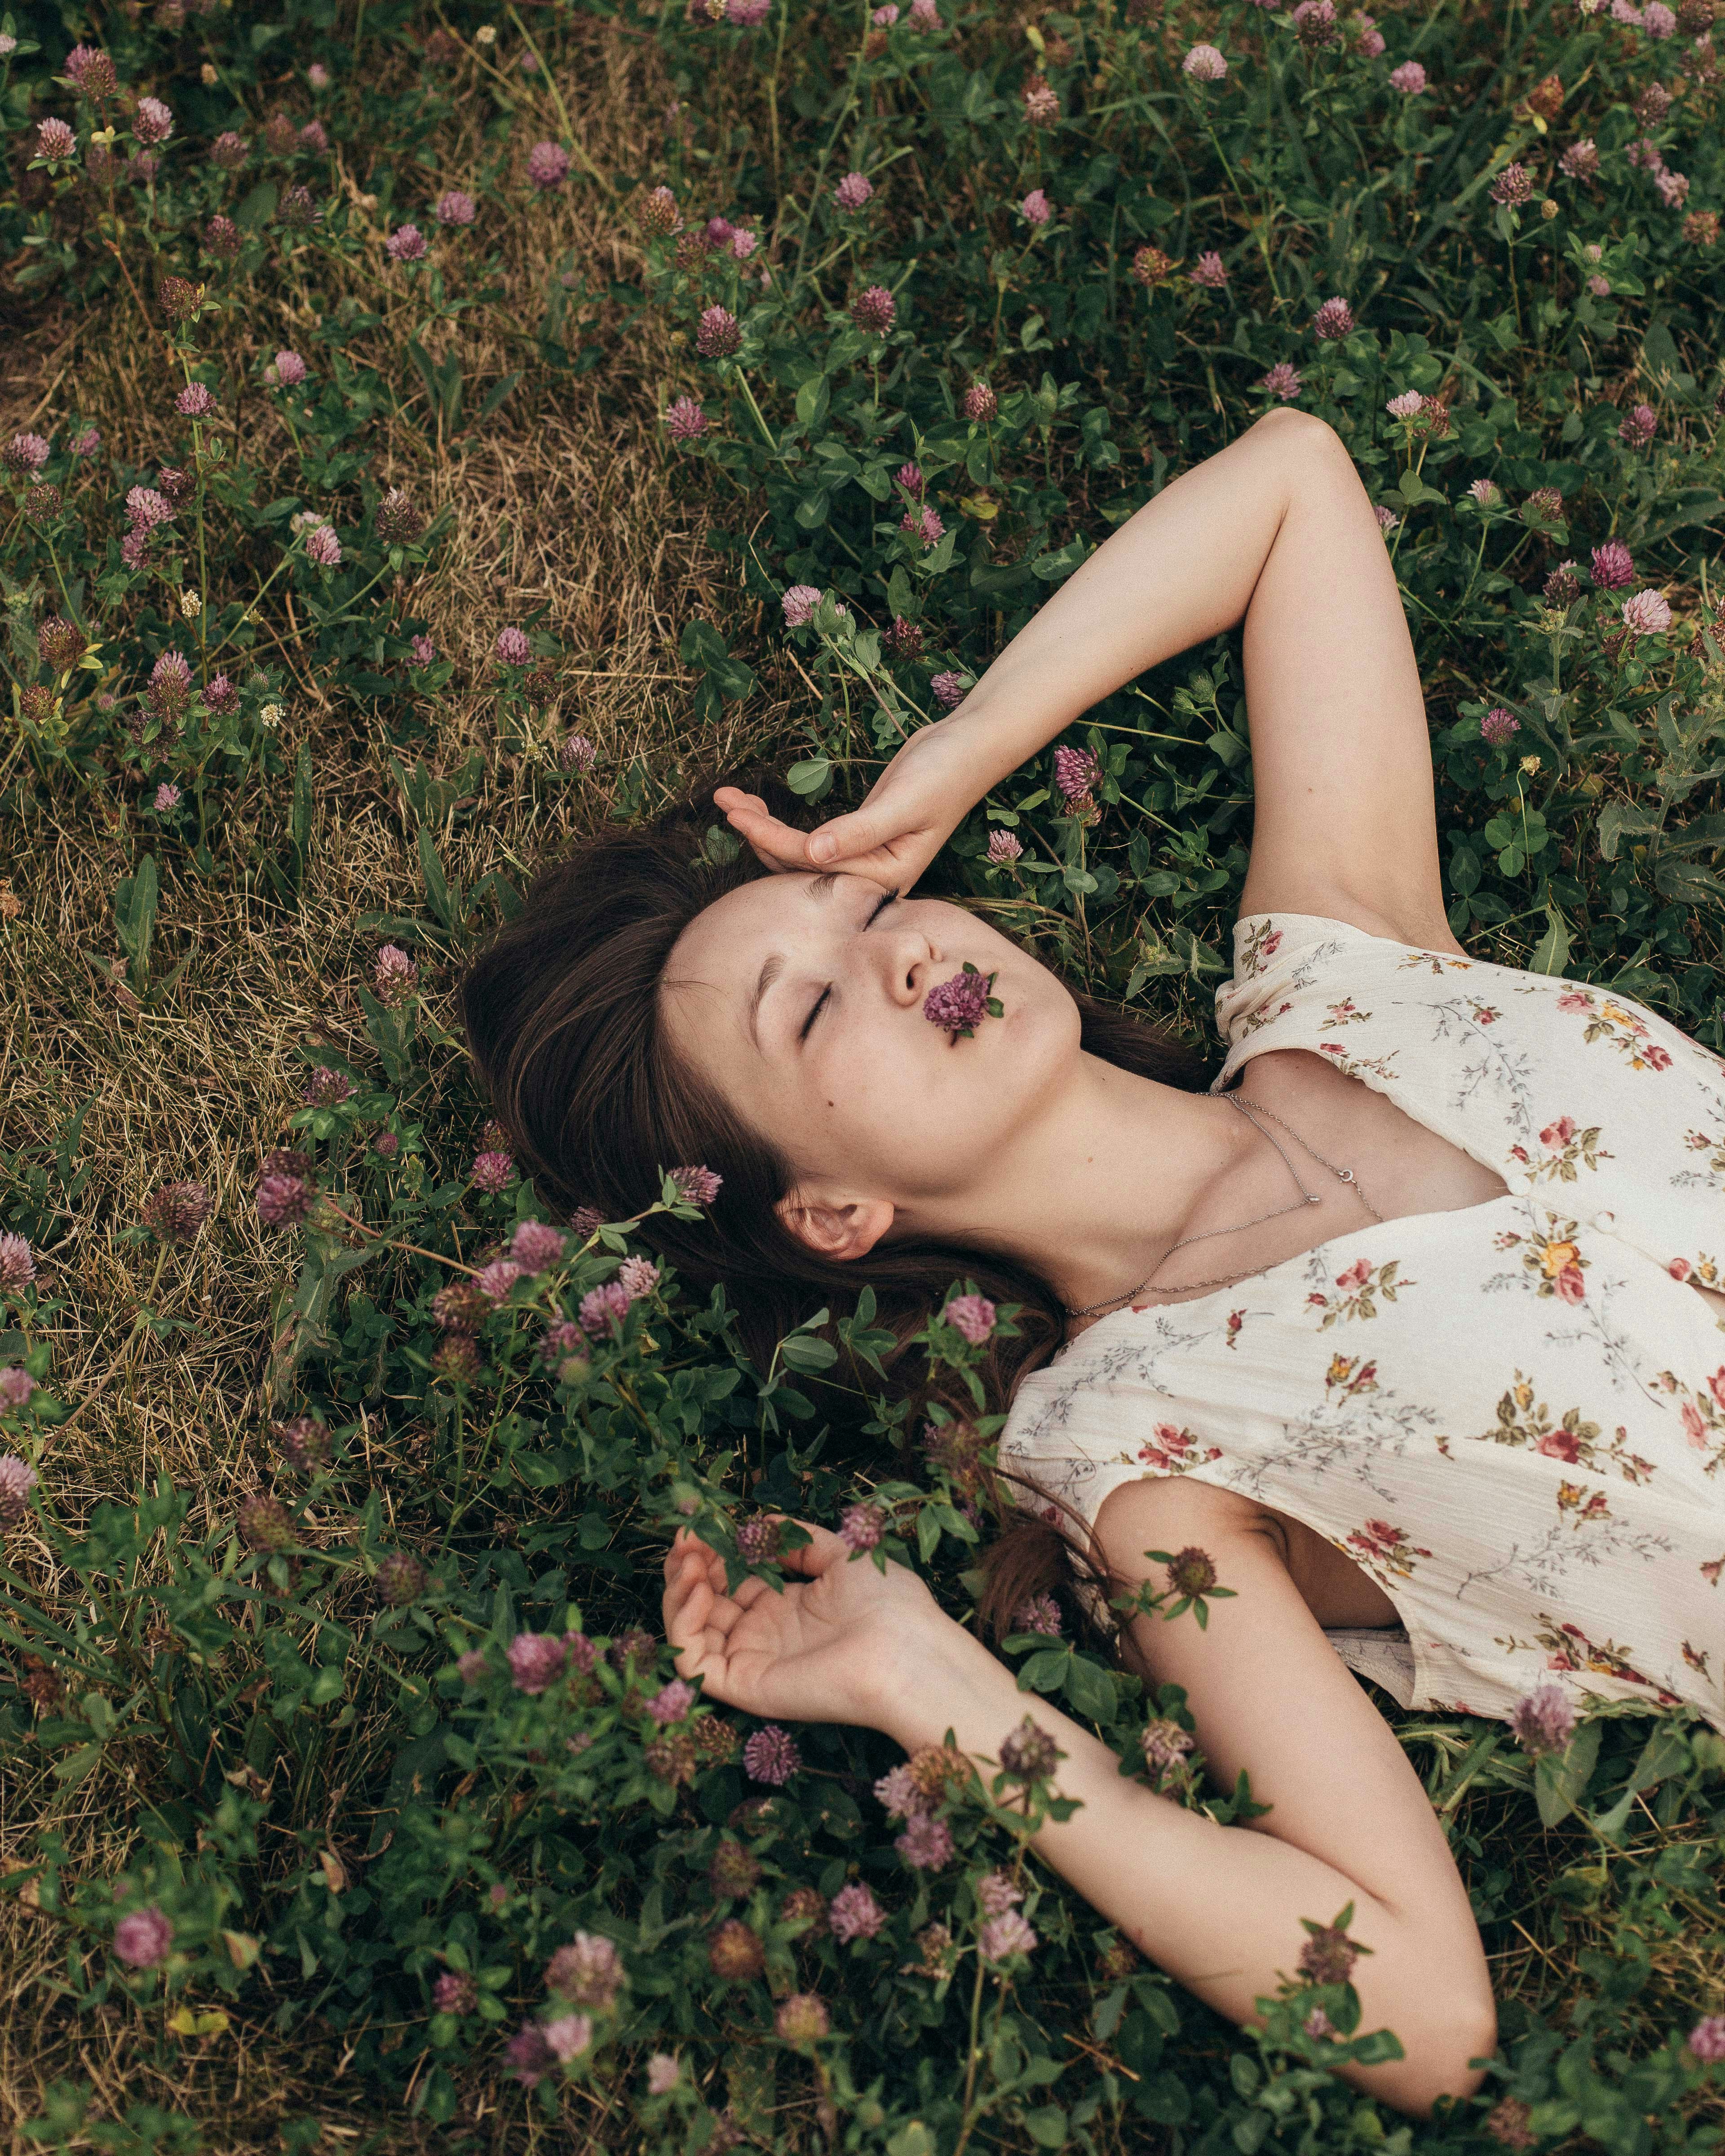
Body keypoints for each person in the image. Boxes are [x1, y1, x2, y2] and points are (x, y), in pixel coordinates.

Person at [460, 407, 1725, 2118]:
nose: (902, 953)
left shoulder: (1346, 966)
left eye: (869, 905)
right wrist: (933, 1690)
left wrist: (950, 762)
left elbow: (1293, 483)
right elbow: (1423, 2010)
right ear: (832, 1214)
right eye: (814, 1003)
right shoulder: (1145, 1459)